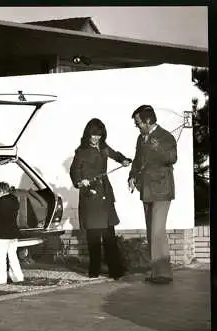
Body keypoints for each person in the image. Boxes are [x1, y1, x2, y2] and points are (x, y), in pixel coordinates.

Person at [70, 118, 131, 279]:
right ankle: (94, 270)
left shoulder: (103, 147)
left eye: (99, 135)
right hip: (90, 194)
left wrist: (123, 159)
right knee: (94, 236)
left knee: (110, 235)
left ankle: (115, 270)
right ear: (87, 134)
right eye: (93, 135)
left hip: (105, 193)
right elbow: (74, 172)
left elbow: (115, 154)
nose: (96, 138)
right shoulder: (81, 151)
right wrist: (79, 181)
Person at [128, 105, 177, 284]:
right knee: (153, 232)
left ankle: (161, 274)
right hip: (146, 189)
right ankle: (160, 273)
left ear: (148, 121)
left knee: (157, 231)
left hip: (162, 190)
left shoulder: (166, 137)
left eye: (138, 123)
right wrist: (132, 176)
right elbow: (137, 160)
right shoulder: (141, 138)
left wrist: (158, 148)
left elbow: (172, 158)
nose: (137, 126)